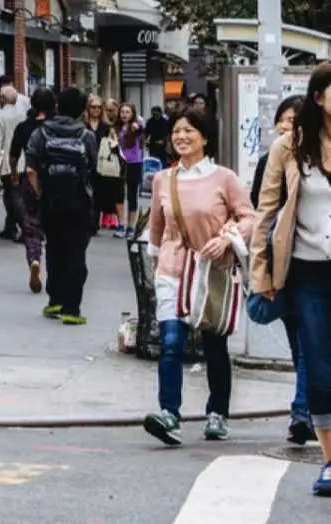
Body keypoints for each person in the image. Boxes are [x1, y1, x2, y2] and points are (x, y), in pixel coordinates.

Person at [144, 108, 255, 448]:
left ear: (205, 138)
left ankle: (217, 413)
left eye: (189, 131)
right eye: (177, 131)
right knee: (171, 342)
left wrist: (227, 238)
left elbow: (250, 218)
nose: (181, 137)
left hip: (211, 271)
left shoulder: (224, 178)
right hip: (172, 269)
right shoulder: (164, 179)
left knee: (214, 345)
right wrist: (156, 265)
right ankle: (169, 413)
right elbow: (156, 231)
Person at [253, 66, 331, 495]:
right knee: (318, 366)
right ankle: (330, 461)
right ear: (319, 97)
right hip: (308, 272)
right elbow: (266, 212)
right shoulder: (290, 146)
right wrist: (262, 271)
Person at [250, 94, 313, 448]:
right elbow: (263, 211)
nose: (287, 125)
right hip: (283, 262)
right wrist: (261, 271)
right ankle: (307, 404)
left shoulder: (315, 157)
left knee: (309, 341)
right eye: (283, 119)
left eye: (294, 119)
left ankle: (303, 410)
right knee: (300, 343)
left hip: (313, 259)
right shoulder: (271, 158)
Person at [26, 87, 99, 325]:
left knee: (54, 247)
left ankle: (54, 300)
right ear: (80, 111)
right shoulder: (86, 135)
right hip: (78, 199)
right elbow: (92, 166)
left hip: (51, 198)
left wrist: (40, 193)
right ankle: (72, 308)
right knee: (76, 251)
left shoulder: (41, 133)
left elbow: (30, 170)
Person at [10, 88, 53, 294]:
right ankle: (54, 270)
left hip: (30, 178)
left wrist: (12, 173)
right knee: (54, 228)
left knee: (31, 227)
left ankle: (35, 259)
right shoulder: (55, 127)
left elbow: (13, 153)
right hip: (55, 181)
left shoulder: (24, 127)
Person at [0, 86, 28, 242]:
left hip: (7, 161)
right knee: (18, 194)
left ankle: (22, 227)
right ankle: (10, 225)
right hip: (23, 158)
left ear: (2, 99)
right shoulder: (24, 114)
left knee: (12, 195)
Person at [84, 94, 120, 234]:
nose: (96, 110)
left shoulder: (106, 126)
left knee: (98, 194)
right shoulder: (82, 125)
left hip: (102, 163)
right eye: (93, 107)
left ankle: (94, 224)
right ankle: (87, 222)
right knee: (86, 193)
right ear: (88, 108)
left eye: (99, 107)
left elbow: (114, 145)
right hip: (85, 162)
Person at [115, 102, 145, 238]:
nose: (124, 115)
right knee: (119, 194)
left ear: (132, 114)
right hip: (119, 163)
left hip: (134, 163)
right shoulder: (116, 128)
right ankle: (121, 224)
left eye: (127, 112)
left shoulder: (134, 127)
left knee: (132, 195)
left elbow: (139, 129)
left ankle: (131, 226)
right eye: (122, 112)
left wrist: (136, 126)